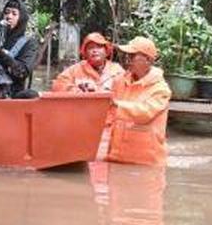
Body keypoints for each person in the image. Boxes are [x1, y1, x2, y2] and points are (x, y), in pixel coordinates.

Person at [99, 36, 172, 166]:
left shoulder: (161, 89)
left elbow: (144, 113)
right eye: (127, 55)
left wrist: (115, 104)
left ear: (148, 60)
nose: (128, 60)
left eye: (132, 56)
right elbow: (108, 114)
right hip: (116, 158)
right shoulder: (119, 81)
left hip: (146, 164)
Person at [51, 32, 125, 93]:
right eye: (91, 48)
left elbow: (127, 90)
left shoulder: (117, 70)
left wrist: (100, 90)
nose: (95, 51)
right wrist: (78, 91)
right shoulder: (75, 70)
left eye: (99, 47)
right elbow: (58, 85)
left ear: (106, 51)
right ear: (85, 53)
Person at [0, 0, 40, 92]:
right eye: (6, 12)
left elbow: (22, 72)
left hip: (11, 91)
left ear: (21, 18)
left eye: (14, 14)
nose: (9, 17)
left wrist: (3, 55)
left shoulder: (28, 43)